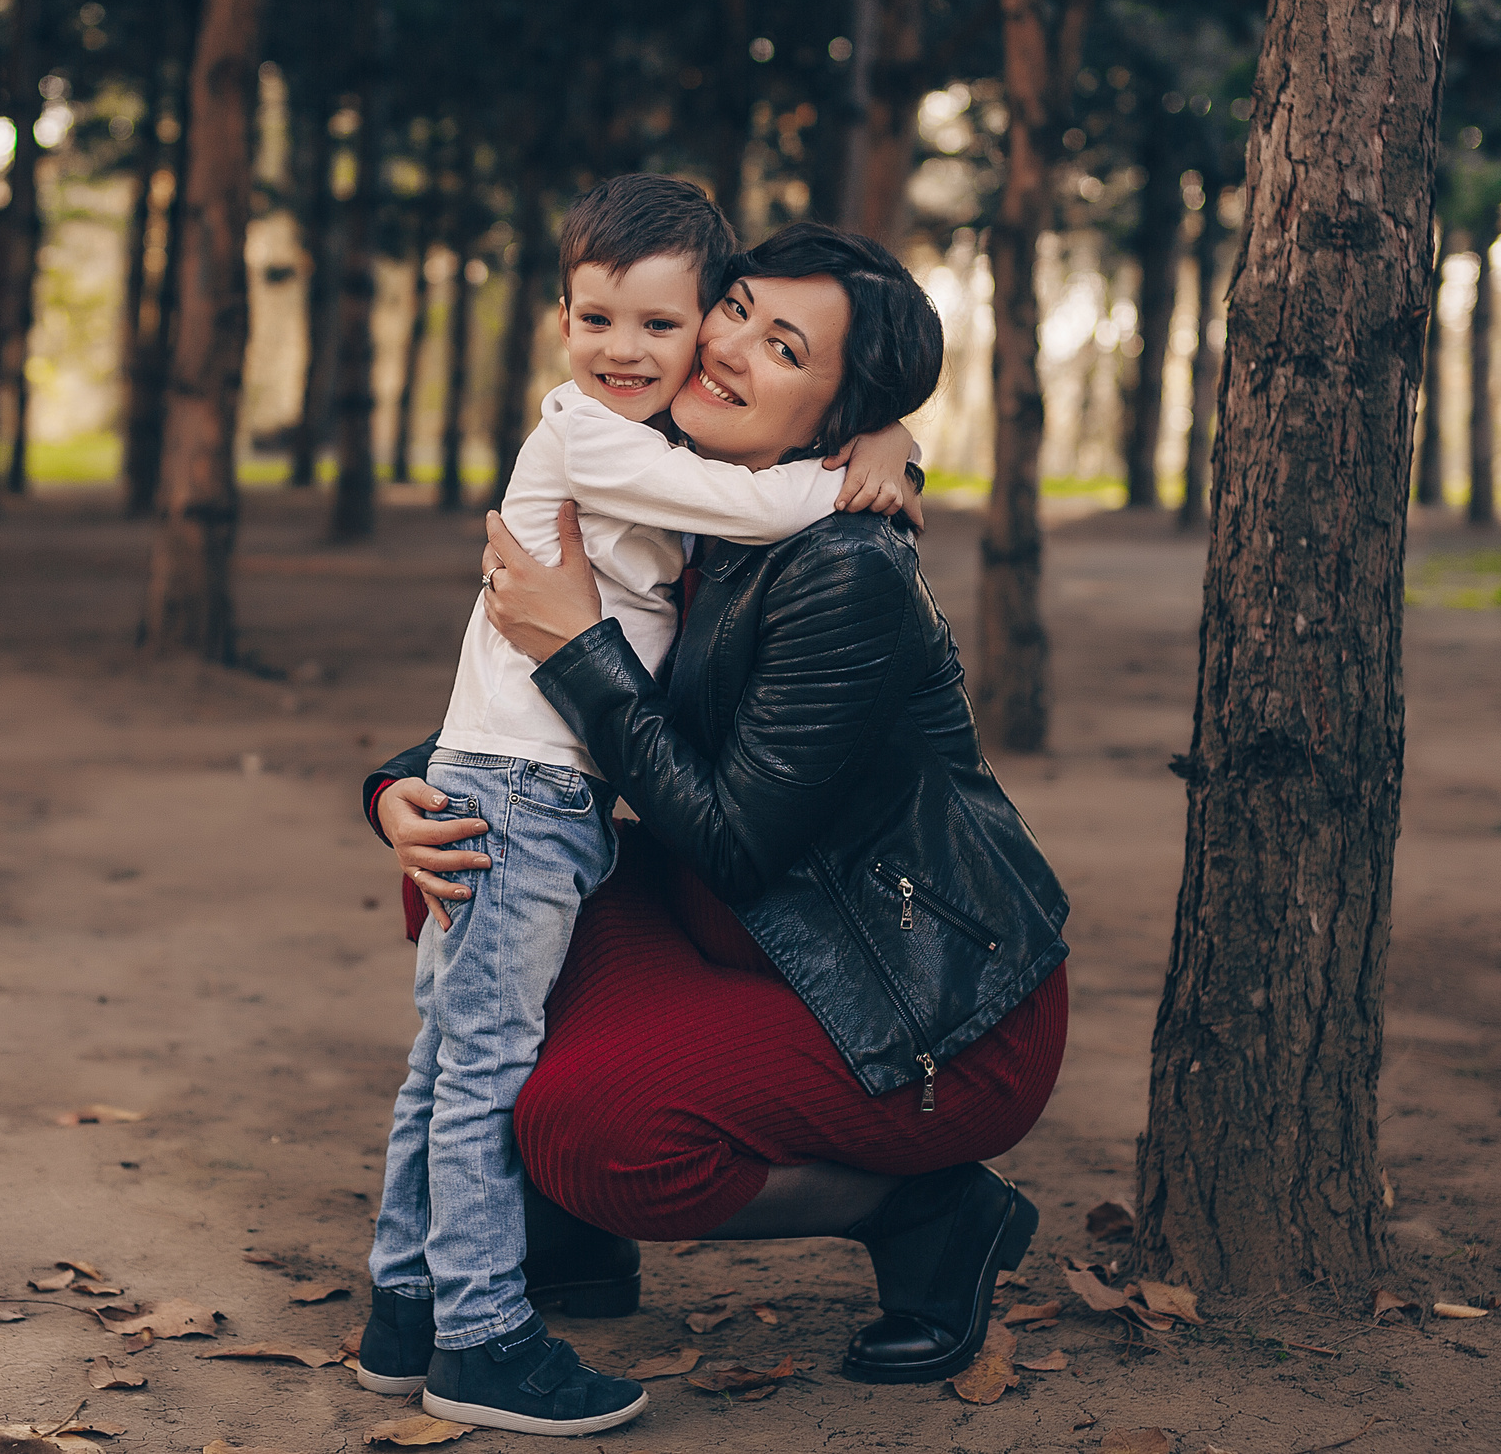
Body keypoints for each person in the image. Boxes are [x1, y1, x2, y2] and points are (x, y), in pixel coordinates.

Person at [367, 222, 1071, 1393]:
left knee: (595, 1134)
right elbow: (532, 730)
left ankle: (927, 1213)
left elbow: (737, 839)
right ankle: (561, 1244)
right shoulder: (698, 495)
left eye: (784, 347)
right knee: (459, 844)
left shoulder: (845, 569)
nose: (728, 345)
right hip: (750, 934)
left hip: (919, 1007)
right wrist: (395, 784)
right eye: (735, 306)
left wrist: (577, 644)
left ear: (836, 421)